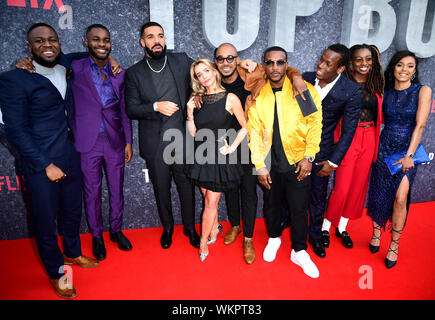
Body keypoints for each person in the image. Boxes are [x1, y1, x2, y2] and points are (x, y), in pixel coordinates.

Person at [0, 23, 99, 299]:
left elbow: (92, 52)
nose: (47, 45)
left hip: (70, 154)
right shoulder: (13, 79)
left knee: (71, 211)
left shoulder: (65, 63)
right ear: (29, 47)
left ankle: (72, 252)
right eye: (39, 41)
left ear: (59, 42)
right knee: (44, 221)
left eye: (52, 40)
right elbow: (15, 130)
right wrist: (45, 164)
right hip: (40, 162)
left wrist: (110, 58)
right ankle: (56, 272)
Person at [212, 42, 307, 264]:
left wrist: (297, 77)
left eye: (230, 58)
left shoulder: (252, 73)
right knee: (230, 189)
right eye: (220, 59)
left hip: (250, 143)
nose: (225, 63)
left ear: (237, 59)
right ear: (215, 61)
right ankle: (235, 225)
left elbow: (283, 69)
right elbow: (197, 84)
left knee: (248, 191)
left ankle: (248, 238)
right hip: (224, 145)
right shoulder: (211, 79)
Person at [247, 46, 323, 278]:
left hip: (298, 162)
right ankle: (273, 238)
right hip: (271, 164)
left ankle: (299, 251)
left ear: (287, 65)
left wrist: (309, 157)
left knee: (299, 209)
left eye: (280, 63)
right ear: (265, 65)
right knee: (271, 205)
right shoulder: (259, 96)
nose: (275, 67)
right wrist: (259, 165)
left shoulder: (303, 91)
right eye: (270, 63)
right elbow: (254, 133)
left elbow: (314, 125)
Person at [125, 21, 200, 249]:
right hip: (155, 143)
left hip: (182, 141)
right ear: (142, 42)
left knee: (186, 187)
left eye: (160, 36)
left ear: (165, 39)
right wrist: (155, 106)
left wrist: (197, 94)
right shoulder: (134, 73)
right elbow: (131, 108)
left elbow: (205, 72)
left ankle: (190, 228)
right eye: (150, 37)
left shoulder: (181, 60)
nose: (156, 41)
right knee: (161, 189)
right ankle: (167, 227)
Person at [70, 24, 133, 260]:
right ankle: (97, 236)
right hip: (87, 141)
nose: (101, 44)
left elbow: (124, 109)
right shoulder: (74, 68)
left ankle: (116, 231)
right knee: (91, 192)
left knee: (117, 190)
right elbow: (50, 57)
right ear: (86, 42)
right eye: (95, 39)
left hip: (115, 139)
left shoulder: (120, 72)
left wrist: (128, 140)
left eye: (106, 40)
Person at [366, 50, 431, 268]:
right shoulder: (385, 91)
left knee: (401, 198)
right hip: (384, 147)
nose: (404, 70)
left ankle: (394, 243)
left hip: (407, 150)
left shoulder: (422, 90)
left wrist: (409, 155)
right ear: (393, 68)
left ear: (415, 70)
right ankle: (376, 232)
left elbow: (420, 125)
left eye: (410, 66)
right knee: (379, 192)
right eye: (400, 65)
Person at [302, 44, 362, 258]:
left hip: (322, 152)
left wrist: (333, 161)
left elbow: (348, 131)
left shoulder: (351, 89)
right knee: (290, 192)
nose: (320, 65)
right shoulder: (305, 78)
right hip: (295, 149)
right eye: (321, 59)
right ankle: (285, 223)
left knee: (317, 196)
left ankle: (315, 235)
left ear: (340, 69)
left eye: (328, 63)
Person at [322, 44, 384, 248]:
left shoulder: (377, 85)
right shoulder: (343, 84)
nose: (364, 63)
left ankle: (342, 227)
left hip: (370, 137)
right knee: (342, 187)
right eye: (359, 59)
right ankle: (325, 227)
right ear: (351, 63)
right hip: (348, 138)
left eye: (368, 59)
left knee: (357, 188)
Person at [186, 58, 248, 262]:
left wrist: (232, 147)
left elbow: (245, 127)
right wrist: (189, 112)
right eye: (199, 75)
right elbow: (193, 133)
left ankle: (203, 242)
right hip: (201, 153)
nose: (204, 77)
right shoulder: (198, 99)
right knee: (207, 197)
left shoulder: (230, 98)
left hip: (221, 156)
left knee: (211, 201)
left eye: (206, 71)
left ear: (214, 70)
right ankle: (215, 227)